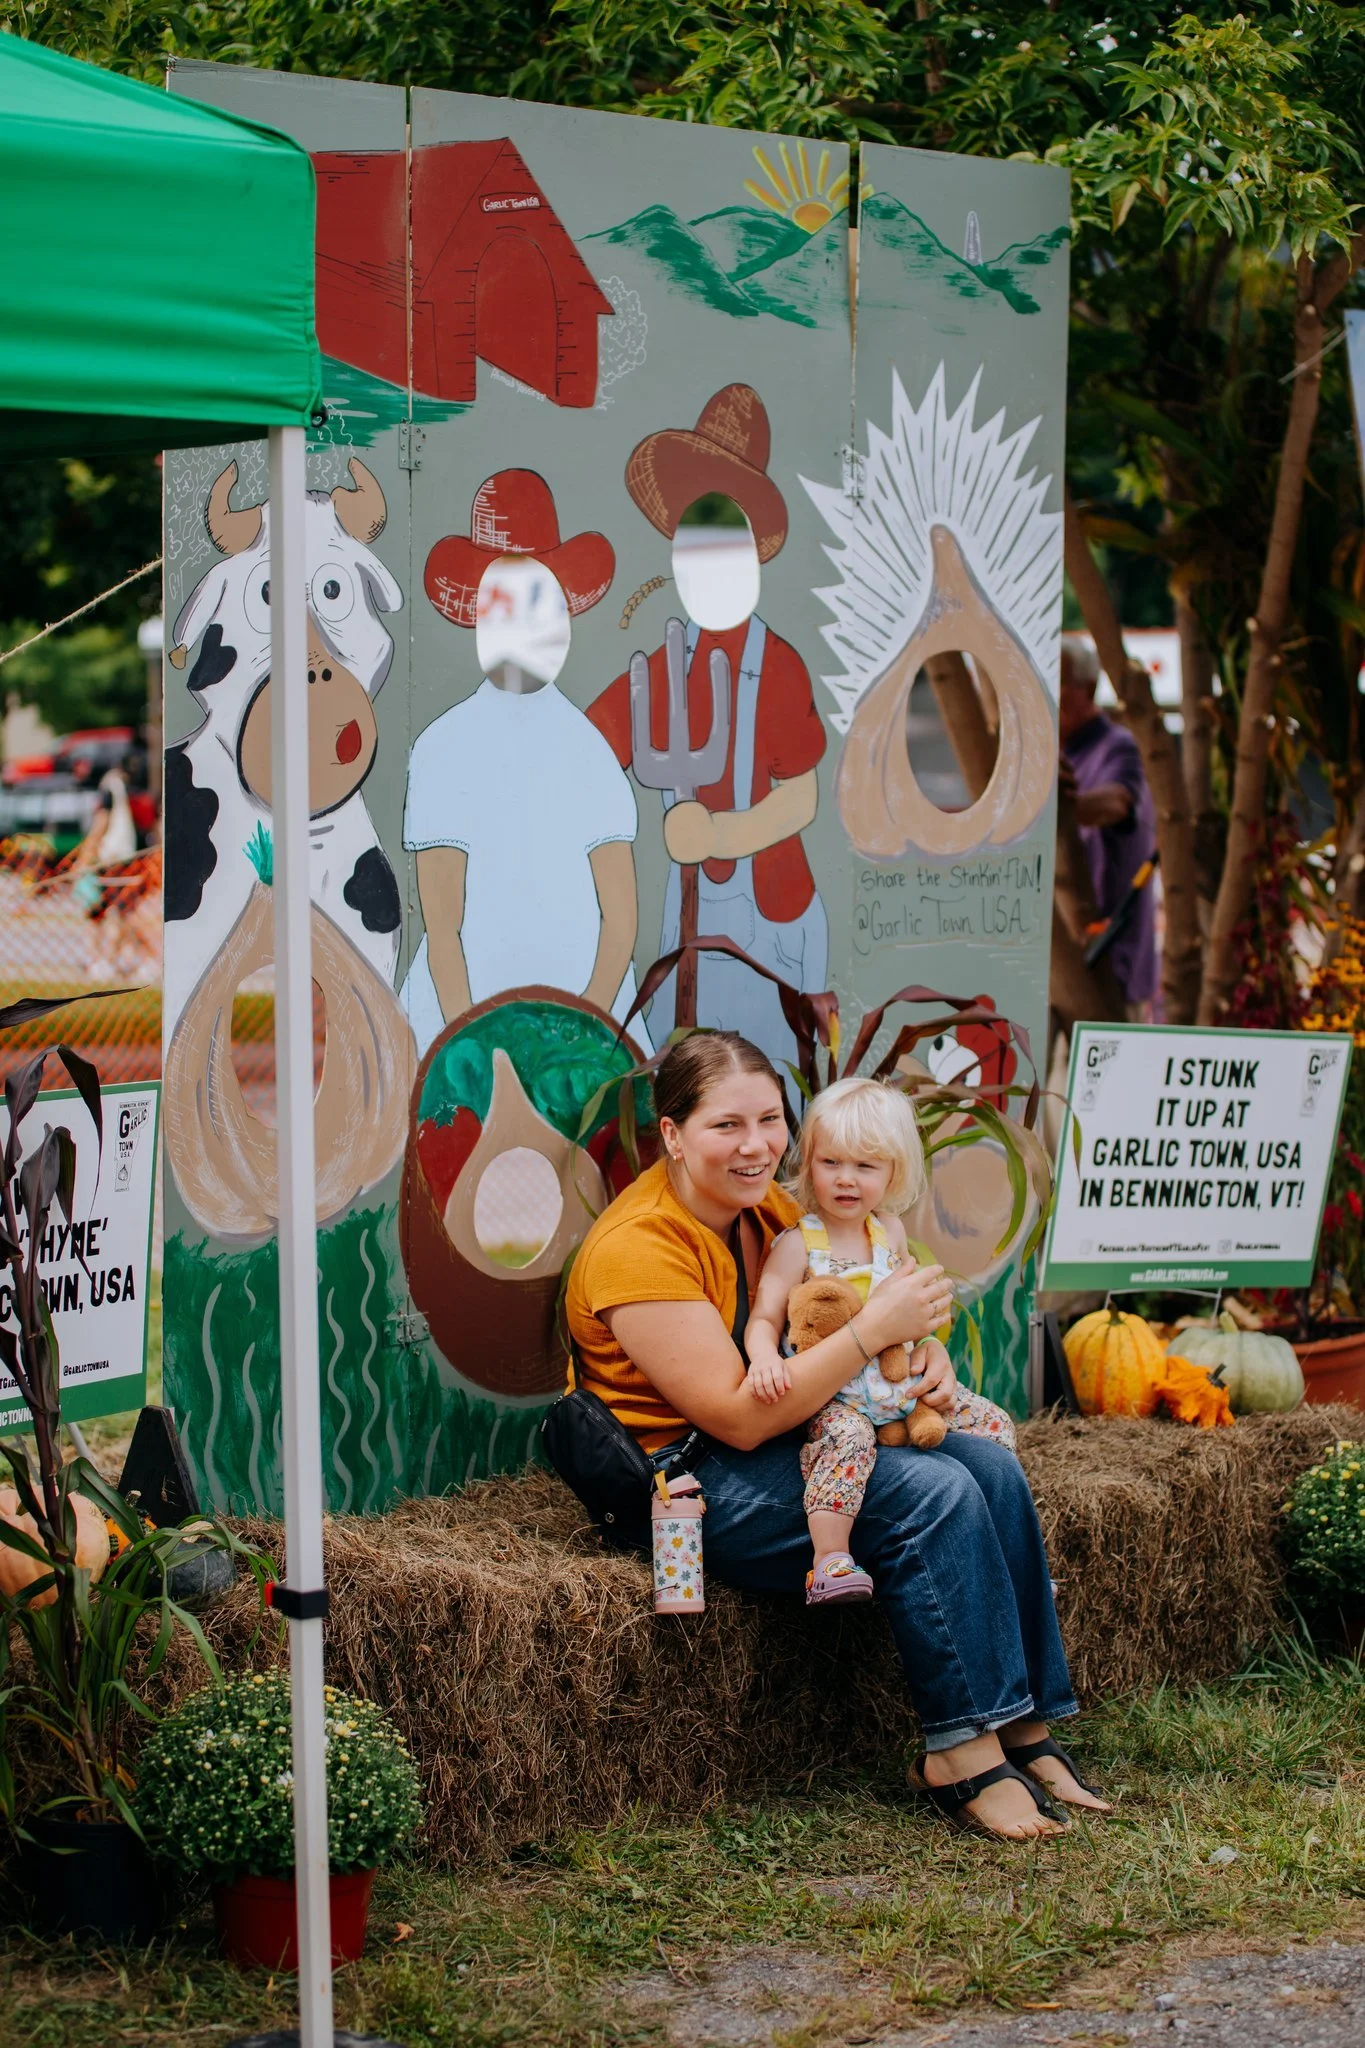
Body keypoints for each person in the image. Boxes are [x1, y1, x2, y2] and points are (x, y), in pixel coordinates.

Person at [564, 1032, 1110, 1841]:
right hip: (694, 1478)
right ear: (672, 1134)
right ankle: (959, 1752)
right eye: (725, 1127)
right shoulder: (637, 1248)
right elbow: (740, 1415)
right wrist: (866, 1338)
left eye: (769, 1120)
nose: (756, 1147)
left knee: (988, 1466)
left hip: (806, 1430)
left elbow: (867, 1307)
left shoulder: (773, 1213)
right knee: (931, 1493)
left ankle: (1023, 1722)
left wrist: (922, 1356)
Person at [589, 385, 827, 1069]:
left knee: (766, 1082)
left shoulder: (777, 664)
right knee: (683, 1077)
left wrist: (719, 833)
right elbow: (591, 751)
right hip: (688, 922)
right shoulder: (664, 668)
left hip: (772, 921)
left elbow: (801, 794)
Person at [401, 470, 648, 1056]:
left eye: (542, 607)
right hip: (462, 1030)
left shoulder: (591, 751)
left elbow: (620, 922)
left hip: (584, 1030)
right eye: (504, 609)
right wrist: (475, 1042)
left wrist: (585, 1029)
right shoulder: (442, 747)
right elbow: (443, 926)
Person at [744, 1077, 1016, 1607]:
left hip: (897, 1387)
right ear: (808, 1165)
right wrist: (760, 1358)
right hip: (834, 1394)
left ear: (893, 1174)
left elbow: (912, 1316)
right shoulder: (798, 1244)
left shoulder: (887, 1232)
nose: (847, 1180)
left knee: (993, 1422)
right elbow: (763, 1317)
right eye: (831, 1163)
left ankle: (1003, 1554)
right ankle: (830, 1561)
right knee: (846, 1441)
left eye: (865, 1167)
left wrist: (932, 1354)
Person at [1058, 634, 1159, 1013]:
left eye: (1059, 681)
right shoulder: (1057, 748)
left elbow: (1118, 801)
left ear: (1088, 687)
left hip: (1111, 958)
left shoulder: (1118, 746)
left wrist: (1064, 807)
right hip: (1061, 955)